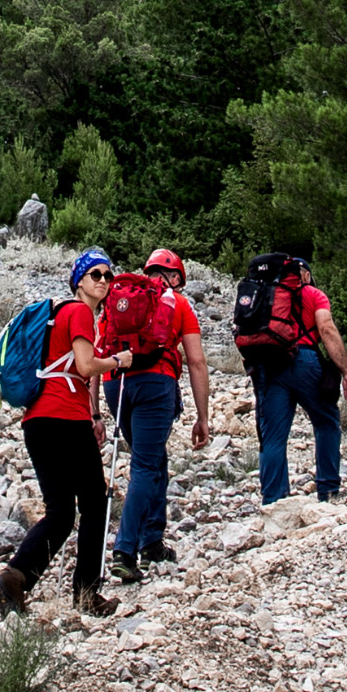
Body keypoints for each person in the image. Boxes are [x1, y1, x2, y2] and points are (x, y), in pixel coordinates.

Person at [0, 251, 116, 616]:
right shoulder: (80, 312)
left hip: (38, 422)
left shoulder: (56, 314)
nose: (104, 282)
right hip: (65, 418)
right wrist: (117, 361)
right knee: (94, 502)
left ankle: (15, 577)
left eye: (108, 276)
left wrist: (93, 413)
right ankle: (86, 594)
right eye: (96, 274)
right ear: (79, 280)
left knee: (61, 511)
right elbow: (85, 365)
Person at [107, 247, 215, 581]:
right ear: (175, 278)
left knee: (153, 459)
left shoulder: (120, 299)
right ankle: (125, 551)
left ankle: (153, 539)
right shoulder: (179, 305)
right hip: (157, 383)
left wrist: (94, 410)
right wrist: (203, 416)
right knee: (144, 465)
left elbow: (99, 350)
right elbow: (196, 361)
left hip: (117, 385)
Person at [239, 253, 347, 503]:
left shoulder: (264, 295)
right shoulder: (314, 294)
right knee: (325, 423)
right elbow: (326, 329)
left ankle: (274, 500)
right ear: (304, 274)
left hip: (268, 366)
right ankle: (328, 491)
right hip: (305, 360)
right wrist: (345, 371)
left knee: (272, 437)